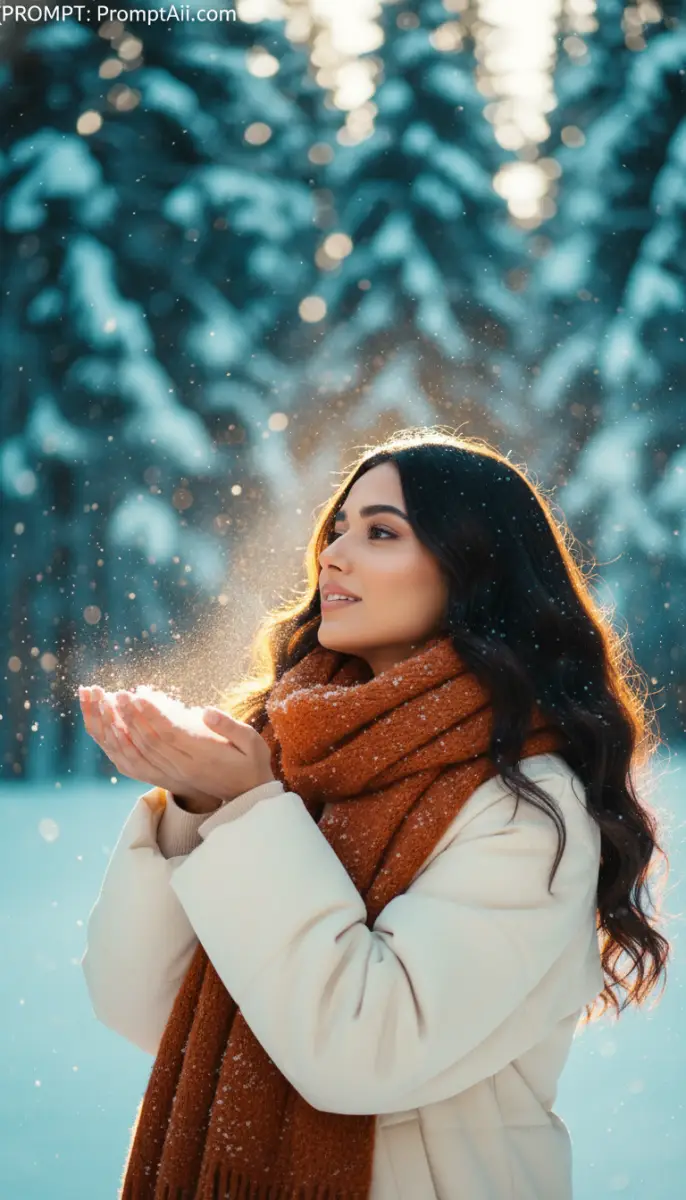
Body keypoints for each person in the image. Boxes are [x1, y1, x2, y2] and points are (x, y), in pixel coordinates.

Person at [79, 430, 670, 1200]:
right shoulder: (294, 752)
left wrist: (252, 811)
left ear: (472, 571)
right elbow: (147, 1011)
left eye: (381, 532)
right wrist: (198, 805)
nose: (333, 554)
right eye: (338, 528)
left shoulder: (529, 803)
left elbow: (361, 1053)